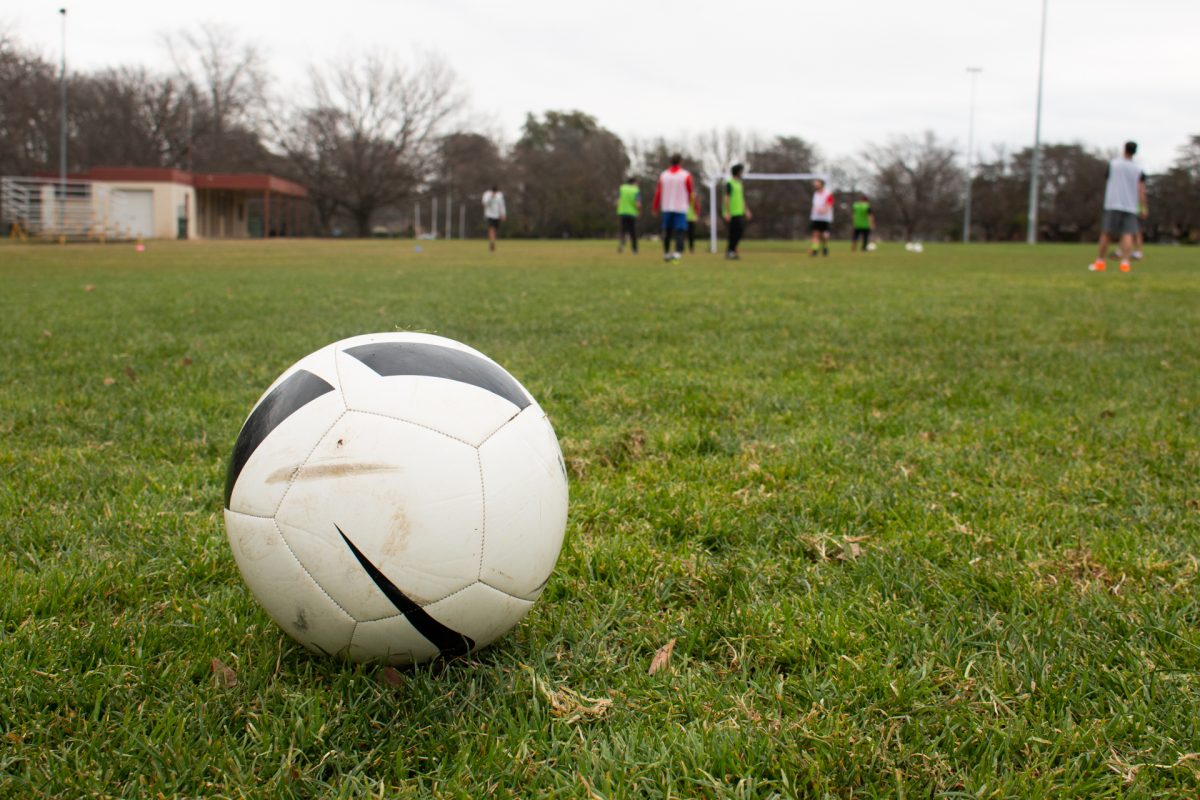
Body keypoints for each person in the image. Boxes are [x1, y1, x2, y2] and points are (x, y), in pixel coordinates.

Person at [1090, 141, 1147, 273]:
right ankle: (1125, 264)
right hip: (1131, 206)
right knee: (1127, 235)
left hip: (1113, 203)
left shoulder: (1114, 164)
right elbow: (1141, 190)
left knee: (1106, 234)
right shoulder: (1138, 169)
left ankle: (1100, 262)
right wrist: (1143, 207)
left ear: (1124, 149)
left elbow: (1108, 179)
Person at [651, 153, 695, 262]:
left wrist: (655, 206)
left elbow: (658, 192)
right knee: (680, 231)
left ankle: (666, 253)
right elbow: (690, 192)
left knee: (668, 231)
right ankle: (677, 253)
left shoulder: (664, 175)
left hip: (667, 207)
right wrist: (692, 205)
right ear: (681, 161)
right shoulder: (685, 175)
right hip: (680, 207)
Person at [723, 163, 751, 260]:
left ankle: (731, 250)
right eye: (741, 171)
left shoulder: (739, 184)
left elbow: (741, 198)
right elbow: (726, 198)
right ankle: (731, 251)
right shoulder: (730, 183)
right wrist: (727, 212)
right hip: (732, 212)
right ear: (738, 172)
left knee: (739, 231)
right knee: (734, 232)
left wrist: (746, 210)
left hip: (739, 212)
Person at [809, 178, 834, 256]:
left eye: (817, 183)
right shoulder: (815, 194)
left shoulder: (828, 193)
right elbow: (815, 205)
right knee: (815, 233)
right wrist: (815, 211)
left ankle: (825, 248)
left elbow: (830, 203)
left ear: (821, 184)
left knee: (824, 235)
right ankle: (815, 250)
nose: (815, 184)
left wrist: (824, 210)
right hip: (816, 217)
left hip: (825, 218)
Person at [616, 177, 641, 254]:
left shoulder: (622, 188)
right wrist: (639, 211)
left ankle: (622, 245)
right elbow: (638, 203)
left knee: (623, 231)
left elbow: (618, 200)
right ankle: (634, 249)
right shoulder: (636, 190)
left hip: (622, 212)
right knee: (632, 232)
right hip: (632, 213)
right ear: (633, 182)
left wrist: (618, 208)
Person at [482, 185, 506, 252]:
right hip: (489, 215)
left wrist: (503, 214)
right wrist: (491, 197)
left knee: (495, 229)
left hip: (497, 215)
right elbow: (484, 203)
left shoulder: (500, 195)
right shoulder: (487, 194)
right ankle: (491, 242)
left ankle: (493, 241)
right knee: (491, 228)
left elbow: (502, 205)